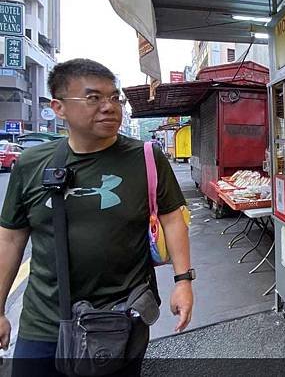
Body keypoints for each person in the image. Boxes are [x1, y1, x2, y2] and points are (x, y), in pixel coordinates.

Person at [0, 59, 194, 376]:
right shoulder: (32, 164)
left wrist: (183, 282)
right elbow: (9, 238)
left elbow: (173, 219)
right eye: (93, 98)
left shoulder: (145, 157)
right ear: (59, 108)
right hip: (45, 322)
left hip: (121, 319)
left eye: (114, 97)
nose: (109, 107)